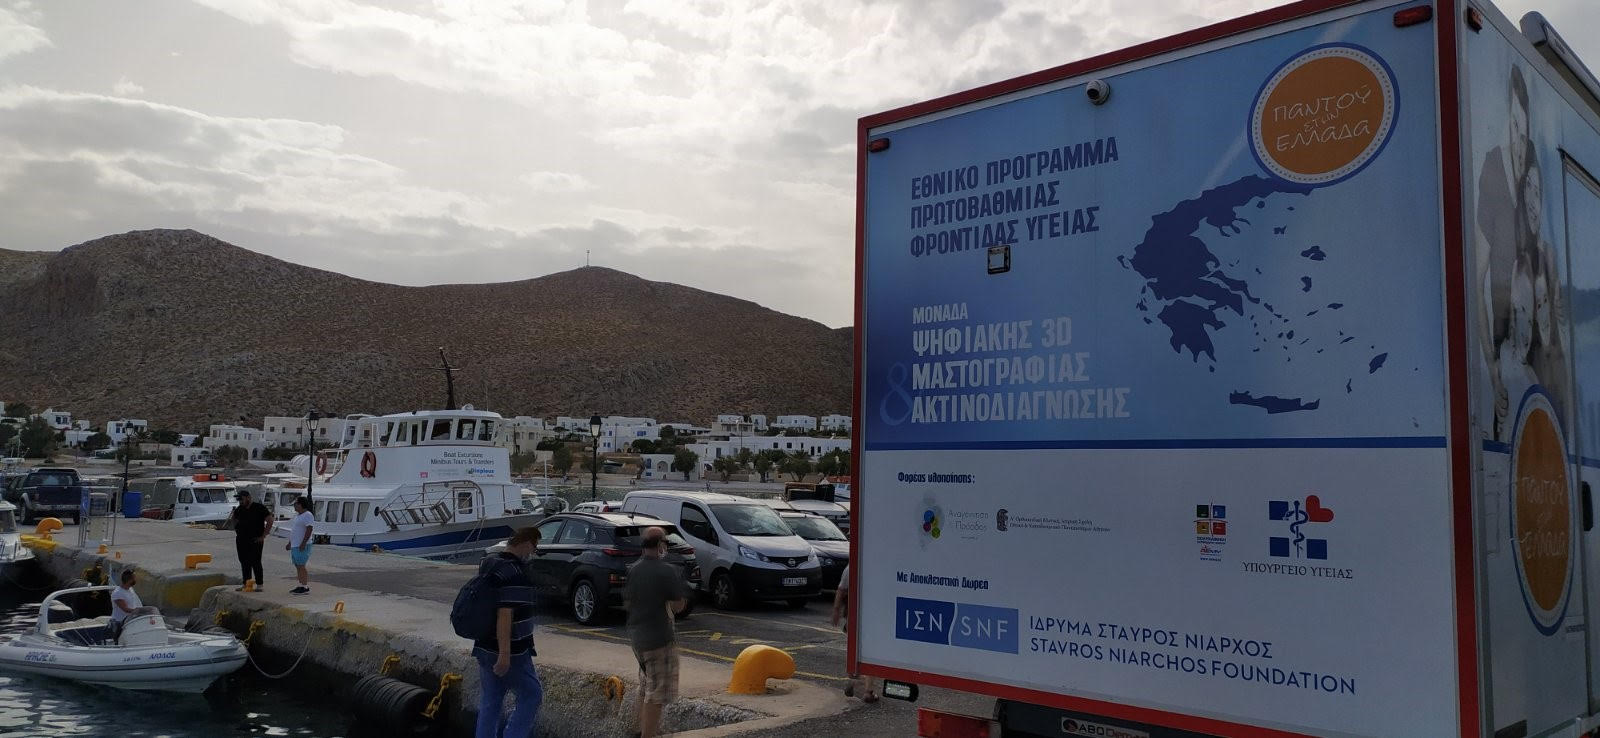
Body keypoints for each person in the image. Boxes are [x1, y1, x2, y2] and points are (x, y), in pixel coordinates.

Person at [474, 527, 542, 738]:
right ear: (526, 542)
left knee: (491, 700)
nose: (533, 552)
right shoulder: (514, 573)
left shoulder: (490, 563)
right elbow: (505, 614)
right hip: (512, 651)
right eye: (534, 547)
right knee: (532, 694)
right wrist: (504, 654)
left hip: (483, 645)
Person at [623, 526, 690, 738]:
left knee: (645, 686)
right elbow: (679, 605)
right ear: (661, 544)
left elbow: (628, 602)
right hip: (659, 640)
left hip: (638, 639)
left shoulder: (634, 569)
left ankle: (639, 729)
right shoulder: (666, 570)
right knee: (657, 692)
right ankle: (648, 734)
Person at [831, 565, 878, 702]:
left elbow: (841, 590)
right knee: (871, 654)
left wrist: (836, 611)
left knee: (856, 651)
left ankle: (853, 681)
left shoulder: (851, 567)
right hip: (873, 616)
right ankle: (868, 691)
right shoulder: (878, 565)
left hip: (853, 616)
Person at [232, 489, 272, 592]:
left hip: (255, 539)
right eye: (239, 500)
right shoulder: (239, 509)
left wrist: (263, 536)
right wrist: (237, 529)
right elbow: (234, 519)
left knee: (256, 561)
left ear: (248, 498)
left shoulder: (259, 508)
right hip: (241, 539)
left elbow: (270, 520)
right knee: (244, 561)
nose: (240, 501)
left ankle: (259, 584)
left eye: (242, 499)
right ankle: (246, 584)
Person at [109, 569, 157, 641]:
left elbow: (137, 604)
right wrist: (139, 611)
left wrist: (146, 612)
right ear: (129, 580)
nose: (136, 579)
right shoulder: (117, 593)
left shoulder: (130, 589)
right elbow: (125, 609)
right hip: (120, 623)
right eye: (134, 577)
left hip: (131, 620)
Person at [286, 497, 314, 595]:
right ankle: (300, 584)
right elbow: (295, 531)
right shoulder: (298, 516)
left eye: (296, 503)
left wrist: (303, 543)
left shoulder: (308, 515)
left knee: (301, 565)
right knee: (297, 565)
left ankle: (305, 586)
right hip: (295, 545)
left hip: (301, 545)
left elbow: (309, 529)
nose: (294, 505)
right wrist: (290, 543)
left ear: (301, 504)